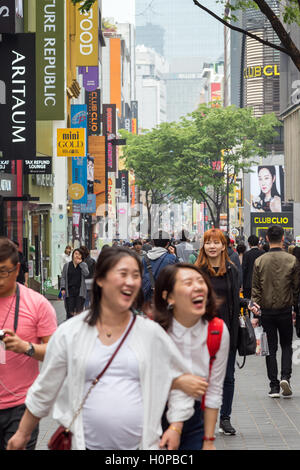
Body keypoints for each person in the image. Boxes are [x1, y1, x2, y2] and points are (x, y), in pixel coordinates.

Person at [7, 247, 195, 451]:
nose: (130, 281)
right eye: (122, 274)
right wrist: (22, 434)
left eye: (135, 275)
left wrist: (175, 427)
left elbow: (182, 379)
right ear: (100, 280)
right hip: (82, 444)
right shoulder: (71, 332)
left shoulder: (151, 334)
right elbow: (44, 389)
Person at [154, 263, 230, 450]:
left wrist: (209, 440)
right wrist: (177, 382)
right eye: (188, 282)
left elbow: (214, 389)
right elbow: (137, 378)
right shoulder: (153, 332)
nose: (197, 287)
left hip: (194, 418)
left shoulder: (216, 330)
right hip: (150, 415)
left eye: (200, 281)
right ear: (168, 296)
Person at [195, 228, 258, 436]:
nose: (212, 246)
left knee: (228, 377)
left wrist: (247, 303)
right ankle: (202, 419)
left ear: (224, 246)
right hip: (201, 333)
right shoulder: (196, 272)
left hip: (227, 332)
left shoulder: (232, 270)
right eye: (208, 242)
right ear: (203, 246)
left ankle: (225, 418)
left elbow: (233, 299)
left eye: (216, 242)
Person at [0, 237, 57, 450]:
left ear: (16, 270)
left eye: (3, 271)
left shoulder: (37, 304)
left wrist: (27, 347)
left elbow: (56, 352)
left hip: (22, 406)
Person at [252, 225, 300, 398]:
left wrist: (255, 314)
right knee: (286, 345)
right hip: (286, 310)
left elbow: (255, 290)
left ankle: (273, 386)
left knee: (270, 348)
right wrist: (295, 308)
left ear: (265, 239)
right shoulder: (292, 260)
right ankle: (285, 377)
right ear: (282, 239)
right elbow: (296, 288)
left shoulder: (260, 261)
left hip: (266, 311)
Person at [141, 230, 177, 308]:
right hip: (164, 297)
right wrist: (173, 255)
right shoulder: (171, 258)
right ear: (168, 243)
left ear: (153, 242)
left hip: (147, 296)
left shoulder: (144, 258)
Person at [60, 249, 89, 319]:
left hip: (80, 291)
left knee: (79, 312)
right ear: (72, 255)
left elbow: (86, 273)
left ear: (81, 256)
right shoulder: (67, 266)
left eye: (79, 254)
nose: (77, 255)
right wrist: (63, 288)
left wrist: (81, 263)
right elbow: (63, 277)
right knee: (70, 311)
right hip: (69, 291)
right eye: (76, 253)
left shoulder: (83, 265)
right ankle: (70, 326)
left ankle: (79, 327)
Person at [242, 235, 263, 299]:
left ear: (249, 243)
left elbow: (244, 269)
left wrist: (242, 284)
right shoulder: (263, 253)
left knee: (248, 303)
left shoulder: (246, 254)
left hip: (248, 283)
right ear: (258, 243)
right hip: (260, 283)